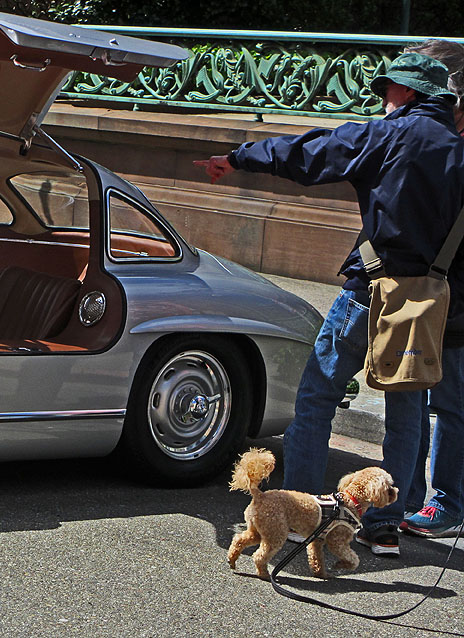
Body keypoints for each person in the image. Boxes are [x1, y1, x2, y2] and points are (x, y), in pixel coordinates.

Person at [195, 52, 464, 556]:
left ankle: (301, 511)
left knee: (318, 396)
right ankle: (385, 525)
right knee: (406, 412)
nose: (384, 98)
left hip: (367, 295)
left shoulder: (386, 135)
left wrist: (238, 158)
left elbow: (310, 153)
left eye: (388, 89)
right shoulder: (460, 151)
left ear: (406, 93)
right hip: (428, 306)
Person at [398, 39, 464, 539]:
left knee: (449, 404)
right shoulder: (428, 140)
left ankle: (446, 502)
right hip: (428, 290)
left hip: (454, 296)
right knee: (416, 398)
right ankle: (416, 500)